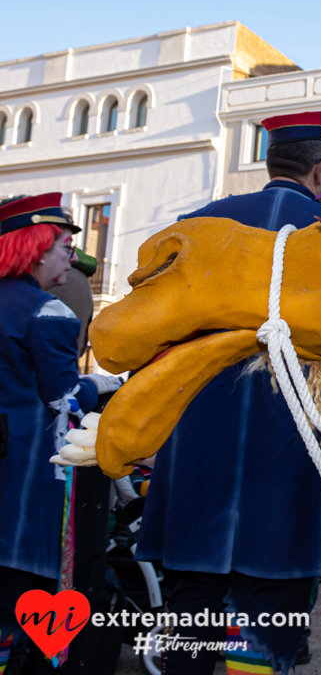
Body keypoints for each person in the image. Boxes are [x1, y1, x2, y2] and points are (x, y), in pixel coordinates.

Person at [134, 112, 321, 674]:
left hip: (199, 441)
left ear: (271, 161)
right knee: (269, 612)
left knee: (190, 610)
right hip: (291, 444)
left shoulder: (198, 224)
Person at [0, 194, 121, 672]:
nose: (73, 259)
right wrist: (102, 383)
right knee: (17, 593)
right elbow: (63, 400)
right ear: (35, 248)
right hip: (24, 475)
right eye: (67, 247)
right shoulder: (48, 312)